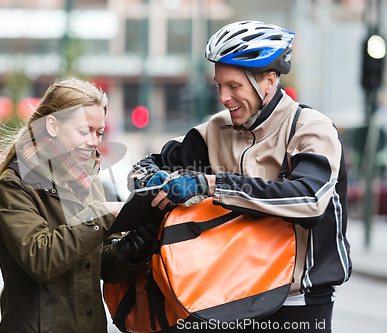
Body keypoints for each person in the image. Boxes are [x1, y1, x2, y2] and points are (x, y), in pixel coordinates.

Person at [129, 21, 351, 332]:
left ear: (269, 81)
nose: (223, 97)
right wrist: (149, 178)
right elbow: (149, 163)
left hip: (299, 299)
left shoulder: (310, 128)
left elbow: (310, 199)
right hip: (230, 292)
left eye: (234, 87)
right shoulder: (216, 130)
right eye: (218, 85)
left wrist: (211, 184)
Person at [0, 77, 157, 333]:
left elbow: (103, 264)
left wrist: (133, 248)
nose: (94, 141)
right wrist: (105, 214)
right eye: (84, 131)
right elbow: (40, 259)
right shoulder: (15, 185)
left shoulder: (89, 180)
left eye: (99, 133)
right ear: (53, 125)